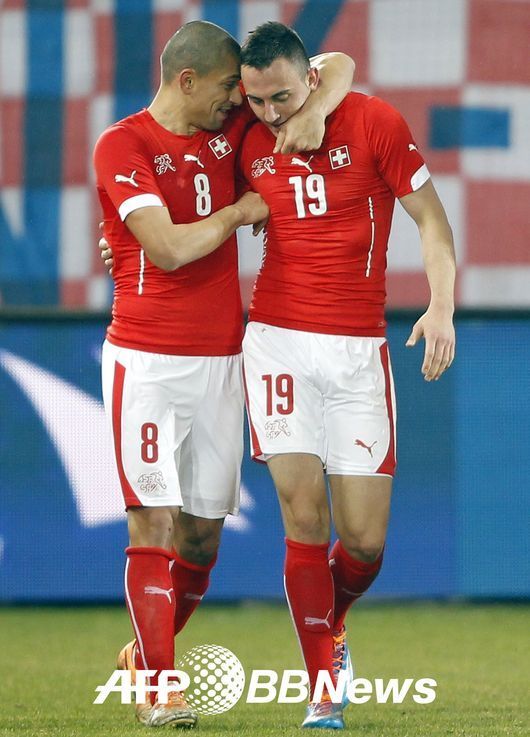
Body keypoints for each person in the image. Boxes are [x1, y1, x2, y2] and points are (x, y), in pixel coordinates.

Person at [93, 19, 354, 729]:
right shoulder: (123, 144)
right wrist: (241, 210)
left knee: (202, 538)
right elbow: (168, 250)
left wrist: (319, 110)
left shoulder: (229, 128)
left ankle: (144, 652)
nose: (238, 103)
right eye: (226, 91)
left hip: (221, 361)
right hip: (145, 361)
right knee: (153, 518)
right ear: (187, 81)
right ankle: (160, 687)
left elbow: (335, 64)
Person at [237, 22, 456, 729]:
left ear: (310, 79)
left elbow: (432, 222)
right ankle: (321, 688)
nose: (268, 112)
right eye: (256, 100)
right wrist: (119, 241)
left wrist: (442, 307)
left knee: (363, 544)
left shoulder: (373, 122)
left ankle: (331, 618)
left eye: (280, 97)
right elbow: (183, 183)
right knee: (304, 514)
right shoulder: (246, 132)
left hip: (358, 349)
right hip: (276, 341)